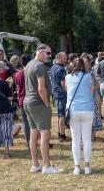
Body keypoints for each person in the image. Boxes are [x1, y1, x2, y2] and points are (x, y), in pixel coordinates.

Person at [24, 44, 62, 174]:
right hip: (38, 103)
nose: (49, 56)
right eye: (48, 53)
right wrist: (46, 103)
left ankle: (35, 165)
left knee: (34, 133)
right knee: (45, 134)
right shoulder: (39, 66)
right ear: (39, 52)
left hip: (28, 102)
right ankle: (46, 166)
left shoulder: (29, 64)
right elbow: (41, 88)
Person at [65, 58, 95, 175]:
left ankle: (77, 167)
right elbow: (92, 90)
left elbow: (67, 89)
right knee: (87, 139)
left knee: (75, 140)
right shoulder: (88, 76)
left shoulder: (68, 77)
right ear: (84, 65)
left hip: (73, 109)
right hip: (87, 109)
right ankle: (87, 166)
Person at [50, 52, 68, 142]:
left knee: (59, 114)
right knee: (62, 115)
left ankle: (59, 132)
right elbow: (64, 85)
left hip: (56, 93)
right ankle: (62, 135)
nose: (66, 59)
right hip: (61, 94)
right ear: (59, 58)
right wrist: (68, 92)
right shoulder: (61, 69)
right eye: (65, 58)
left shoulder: (53, 67)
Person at [83, 57, 102, 140]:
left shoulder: (92, 72)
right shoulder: (80, 73)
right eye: (84, 63)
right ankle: (86, 134)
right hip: (83, 98)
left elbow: (97, 85)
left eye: (87, 62)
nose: (86, 64)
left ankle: (93, 134)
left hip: (92, 97)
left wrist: (93, 87)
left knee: (93, 115)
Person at [15, 54, 31, 148]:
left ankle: (29, 142)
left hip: (22, 99)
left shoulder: (18, 74)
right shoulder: (33, 72)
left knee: (26, 123)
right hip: (33, 100)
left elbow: (18, 88)